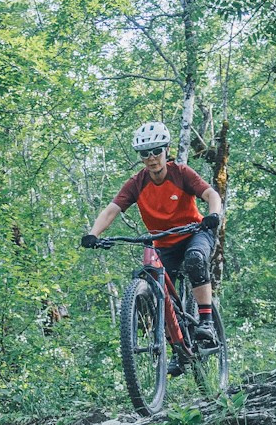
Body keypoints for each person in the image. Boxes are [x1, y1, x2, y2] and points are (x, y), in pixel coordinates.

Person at [82, 121, 224, 347]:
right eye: (145, 153)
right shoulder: (137, 183)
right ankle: (176, 346)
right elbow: (111, 211)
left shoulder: (181, 173)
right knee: (153, 283)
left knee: (195, 259)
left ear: (166, 150)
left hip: (194, 233)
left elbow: (211, 194)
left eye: (157, 151)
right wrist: (93, 234)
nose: (152, 157)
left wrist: (214, 215)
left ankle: (206, 321)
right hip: (163, 242)